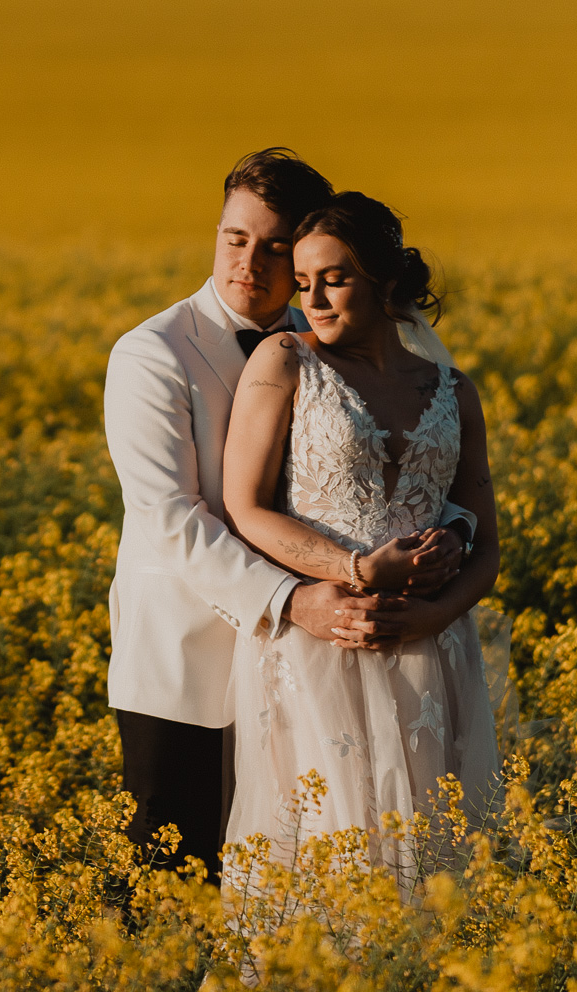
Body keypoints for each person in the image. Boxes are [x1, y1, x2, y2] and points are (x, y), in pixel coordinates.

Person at [102, 151, 479, 881]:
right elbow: (171, 516)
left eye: (275, 247)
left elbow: (404, 463)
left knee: (310, 874)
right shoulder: (153, 353)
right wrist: (295, 601)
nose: (250, 262)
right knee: (165, 881)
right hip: (190, 665)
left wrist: (454, 534)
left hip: (313, 669)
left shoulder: (334, 336)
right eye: (234, 238)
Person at [221, 192, 501, 892]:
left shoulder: (452, 390)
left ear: (385, 282)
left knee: (433, 860)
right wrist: (354, 568)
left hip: (431, 654)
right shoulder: (284, 360)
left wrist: (438, 614)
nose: (311, 297)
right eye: (304, 281)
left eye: (334, 279)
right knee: (330, 851)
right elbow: (244, 507)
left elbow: (486, 539)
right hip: (324, 639)